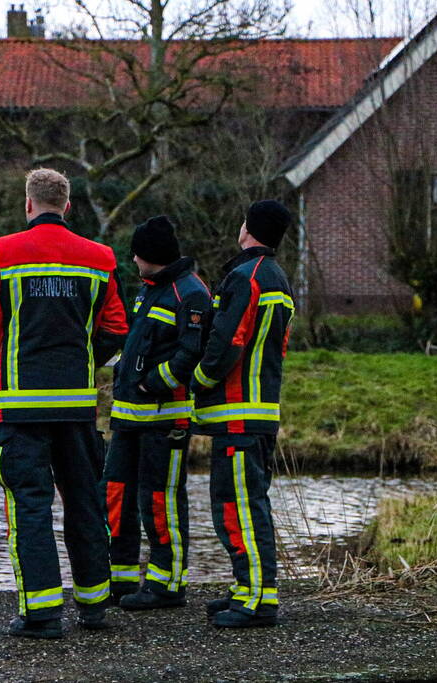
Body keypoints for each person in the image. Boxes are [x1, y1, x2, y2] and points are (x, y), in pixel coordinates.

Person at [0, 168, 128, 639]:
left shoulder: (2, 252)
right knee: (85, 502)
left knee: (29, 506)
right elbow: (116, 327)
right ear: (68, 206)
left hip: (20, 404)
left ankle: (41, 614)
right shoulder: (99, 259)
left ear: (28, 204)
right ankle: (95, 606)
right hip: (77, 406)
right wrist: (85, 361)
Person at [190, 200, 294, 628]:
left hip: (238, 413)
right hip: (260, 410)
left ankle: (256, 599)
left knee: (238, 507)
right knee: (249, 503)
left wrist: (197, 379)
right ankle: (247, 588)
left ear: (248, 227)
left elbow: (226, 342)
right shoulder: (278, 278)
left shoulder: (245, 276)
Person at [102, 215, 211, 610]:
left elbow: (193, 353)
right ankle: (122, 579)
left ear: (152, 256)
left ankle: (168, 584)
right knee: (115, 493)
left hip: (166, 420)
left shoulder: (191, 293)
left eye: (137, 252)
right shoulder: (147, 290)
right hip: (128, 417)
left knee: (160, 500)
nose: (132, 258)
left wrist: (154, 383)